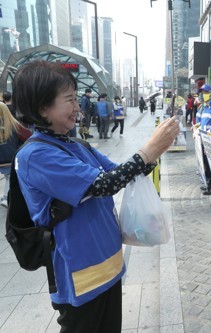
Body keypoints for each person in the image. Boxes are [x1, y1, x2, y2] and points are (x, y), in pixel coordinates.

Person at [11, 60, 179, 333]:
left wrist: (156, 150)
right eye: (69, 100)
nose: (77, 107)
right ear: (42, 107)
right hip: (80, 275)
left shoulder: (76, 144)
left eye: (76, 99)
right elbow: (102, 185)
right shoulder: (35, 155)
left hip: (109, 265)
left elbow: (121, 174)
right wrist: (149, 150)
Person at [0, 102, 31, 208]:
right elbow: (29, 137)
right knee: (11, 178)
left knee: (8, 177)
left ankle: (5, 197)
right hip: (13, 159)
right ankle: (7, 197)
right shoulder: (15, 125)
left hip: (1, 161)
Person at [196, 84, 211, 195]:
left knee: (210, 164)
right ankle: (208, 183)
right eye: (203, 93)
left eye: (206, 92)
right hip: (202, 138)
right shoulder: (205, 106)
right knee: (205, 163)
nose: (204, 95)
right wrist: (197, 127)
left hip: (209, 139)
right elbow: (204, 122)